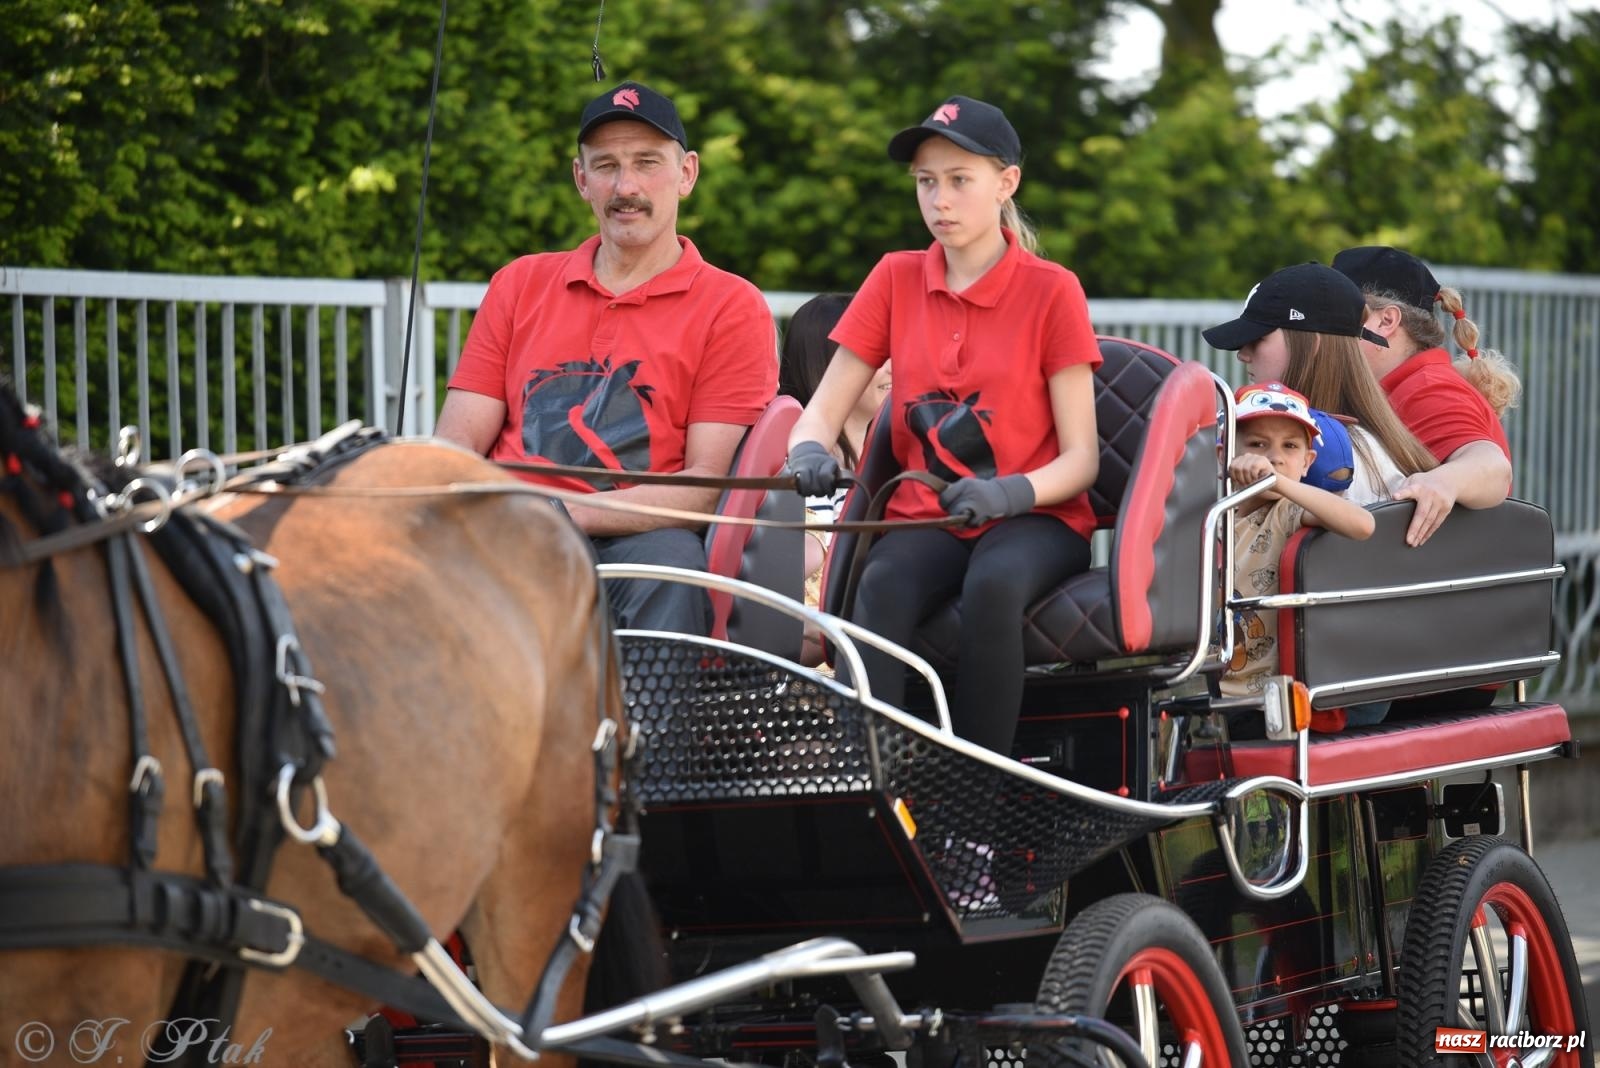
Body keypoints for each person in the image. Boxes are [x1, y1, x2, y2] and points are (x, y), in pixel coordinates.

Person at [786, 95, 1101, 757]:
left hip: (1036, 519)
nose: (941, 200)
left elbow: (1082, 461)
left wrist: (1011, 493)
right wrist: (807, 450)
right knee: (881, 584)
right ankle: (874, 787)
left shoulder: (1052, 290)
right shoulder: (895, 278)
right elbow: (821, 409)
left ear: (1006, 182)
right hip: (926, 517)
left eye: (960, 180)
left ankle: (977, 802)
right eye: (927, 182)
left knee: (994, 583)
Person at [435, 80, 777, 634]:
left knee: (673, 570)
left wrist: (563, 513)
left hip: (642, 539)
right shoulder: (518, 283)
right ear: (581, 179)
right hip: (508, 531)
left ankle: (647, 726)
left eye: (647, 163)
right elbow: (456, 446)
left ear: (687, 174)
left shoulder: (732, 306)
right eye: (606, 166)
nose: (627, 186)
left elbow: (705, 483)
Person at [1203, 262, 1437, 513]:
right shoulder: (1368, 442)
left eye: (1258, 338)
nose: (1243, 354)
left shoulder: (1325, 453)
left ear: (1312, 346)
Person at [1332, 245, 1518, 546]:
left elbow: (1494, 469)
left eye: (1335, 314)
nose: (1323, 330)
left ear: (1386, 322)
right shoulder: (1408, 384)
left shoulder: (1426, 389)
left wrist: (1445, 481)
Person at [1223, 382, 1376, 702]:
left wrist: (1278, 483)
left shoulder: (1286, 512)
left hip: (1265, 698)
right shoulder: (1214, 516)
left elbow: (1363, 524)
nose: (1274, 457)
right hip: (1208, 683)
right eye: (1257, 443)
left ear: (1307, 462)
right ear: (1225, 453)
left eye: (1289, 447)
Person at [778, 293, 891, 665]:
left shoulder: (896, 459)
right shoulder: (801, 470)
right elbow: (791, 579)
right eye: (878, 354)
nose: (893, 366)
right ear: (831, 365)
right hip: (819, 681)